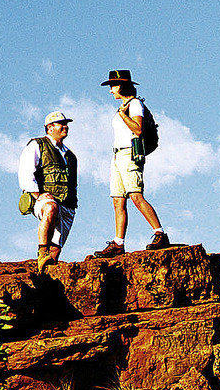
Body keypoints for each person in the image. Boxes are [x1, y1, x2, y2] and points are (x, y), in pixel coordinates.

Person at [90, 70, 169, 258]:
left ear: (122, 86)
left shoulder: (135, 104)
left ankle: (160, 233)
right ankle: (118, 243)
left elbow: (138, 129)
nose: (111, 91)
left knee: (135, 196)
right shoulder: (125, 106)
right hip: (117, 155)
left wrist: (123, 115)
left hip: (129, 153)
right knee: (118, 200)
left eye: (113, 86)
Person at [18, 111, 77, 271]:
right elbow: (26, 171)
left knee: (56, 250)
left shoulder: (71, 155)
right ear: (50, 128)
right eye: (61, 124)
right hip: (45, 199)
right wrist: (37, 195)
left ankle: (45, 273)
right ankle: (42, 251)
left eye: (66, 124)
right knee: (50, 208)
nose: (65, 127)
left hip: (68, 205)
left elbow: (73, 183)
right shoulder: (37, 145)